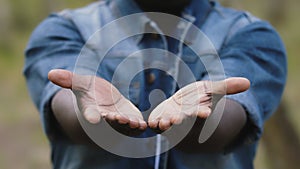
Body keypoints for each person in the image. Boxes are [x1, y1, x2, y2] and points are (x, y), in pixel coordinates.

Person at [23, 0, 287, 168]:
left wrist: (198, 117)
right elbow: (67, 103)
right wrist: (89, 113)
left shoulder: (250, 35)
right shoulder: (65, 30)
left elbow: (227, 119)